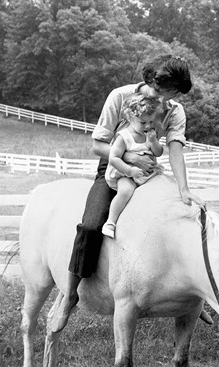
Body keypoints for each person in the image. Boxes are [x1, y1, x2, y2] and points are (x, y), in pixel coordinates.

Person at [50, 55, 205, 333]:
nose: (163, 100)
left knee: (178, 224)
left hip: (151, 170)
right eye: (160, 92)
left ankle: (194, 299)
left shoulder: (175, 111)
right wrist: (129, 160)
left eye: (171, 95)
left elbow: (175, 150)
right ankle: (70, 295)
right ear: (149, 81)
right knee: (90, 224)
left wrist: (184, 189)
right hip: (114, 167)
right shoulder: (120, 97)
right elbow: (98, 145)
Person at [101, 94, 166, 239]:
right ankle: (111, 221)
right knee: (126, 191)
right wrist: (130, 170)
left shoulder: (149, 134)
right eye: (143, 123)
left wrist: (154, 141)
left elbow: (158, 152)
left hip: (148, 174)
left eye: (150, 121)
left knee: (164, 187)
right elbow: (114, 157)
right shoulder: (124, 137)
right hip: (126, 175)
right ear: (130, 118)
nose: (148, 126)